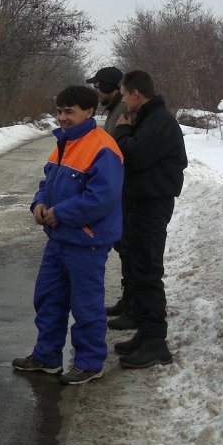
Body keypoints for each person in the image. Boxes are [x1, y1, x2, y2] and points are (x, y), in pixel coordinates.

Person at [13, 85, 123, 385]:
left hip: (86, 242)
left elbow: (102, 198)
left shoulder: (104, 147)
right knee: (48, 299)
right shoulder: (63, 143)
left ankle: (89, 362)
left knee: (86, 305)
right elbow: (47, 181)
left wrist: (61, 213)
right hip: (59, 240)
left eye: (69, 111)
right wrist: (39, 203)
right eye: (60, 111)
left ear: (89, 112)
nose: (62, 117)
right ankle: (47, 356)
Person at [109, 69, 188, 369]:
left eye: (124, 93)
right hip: (140, 202)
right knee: (139, 268)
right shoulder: (148, 117)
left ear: (136, 94)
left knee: (148, 271)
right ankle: (145, 331)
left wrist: (123, 131)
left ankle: (157, 341)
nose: (123, 99)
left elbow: (135, 156)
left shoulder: (158, 121)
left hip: (152, 204)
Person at [87, 66, 131, 318]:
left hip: (125, 189)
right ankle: (128, 300)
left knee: (128, 248)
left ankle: (132, 304)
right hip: (119, 189)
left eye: (98, 86)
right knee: (123, 247)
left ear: (110, 87)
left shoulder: (123, 110)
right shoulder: (115, 110)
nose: (95, 90)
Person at [86, 66, 129, 137]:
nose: (95, 92)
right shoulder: (116, 107)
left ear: (107, 87)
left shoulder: (123, 108)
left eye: (96, 87)